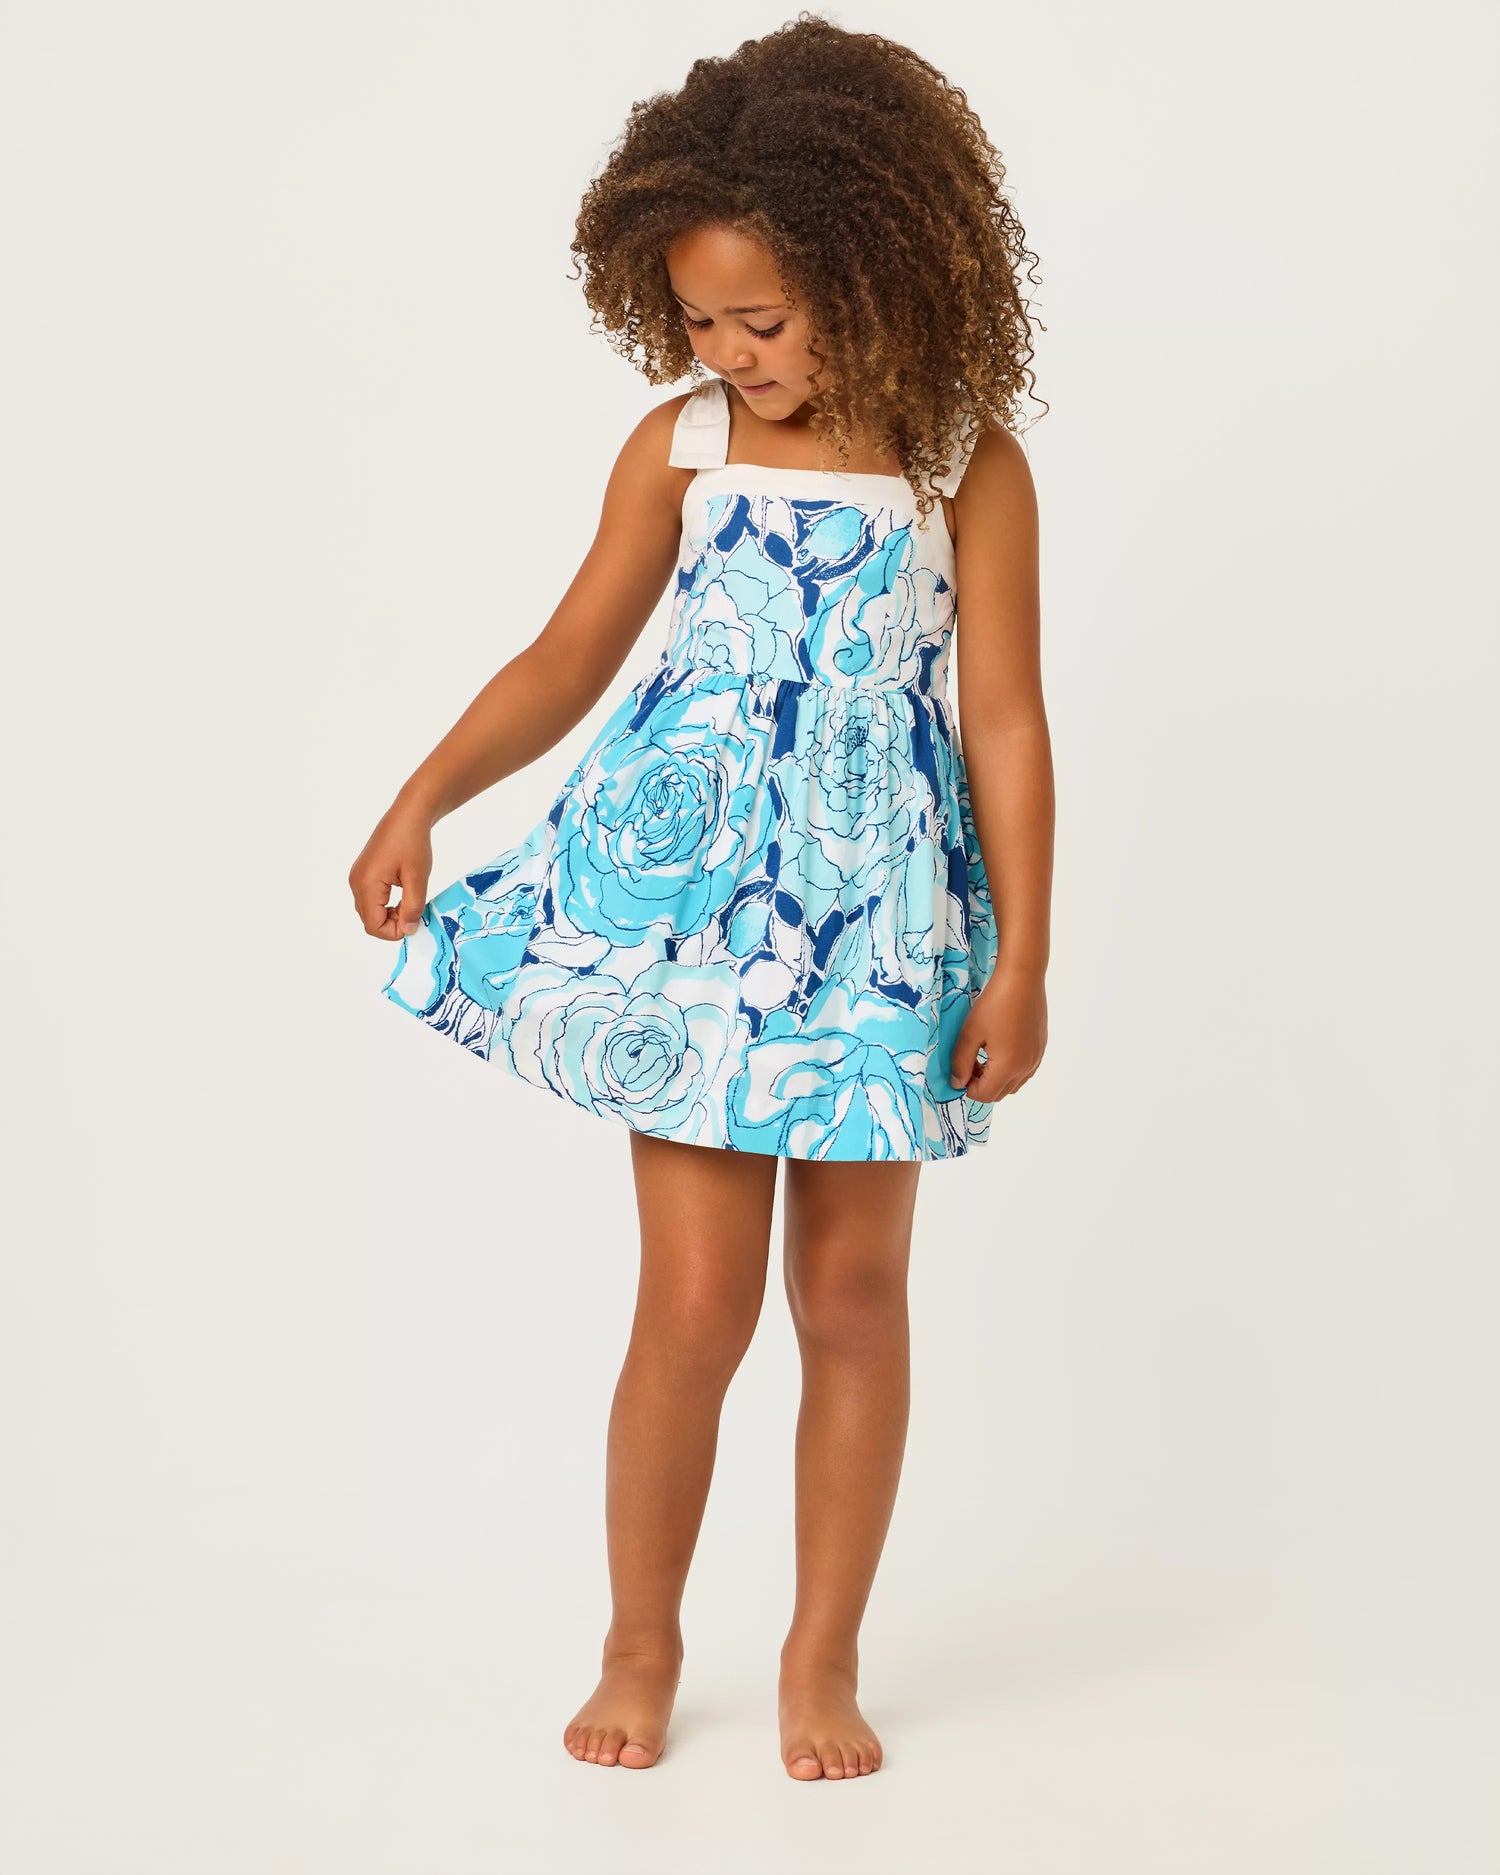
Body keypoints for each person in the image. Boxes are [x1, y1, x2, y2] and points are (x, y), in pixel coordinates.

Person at [348, 14, 1053, 1781]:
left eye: (766, 321)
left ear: (881, 273)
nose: (730, 353)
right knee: (691, 1304)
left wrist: (1022, 958)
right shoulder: (677, 451)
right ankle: (642, 1636)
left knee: (857, 1301)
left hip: (882, 931)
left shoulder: (966, 461)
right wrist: (427, 793)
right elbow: (572, 649)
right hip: (687, 932)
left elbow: (1009, 718)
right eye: (699, 322)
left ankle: (824, 1657)